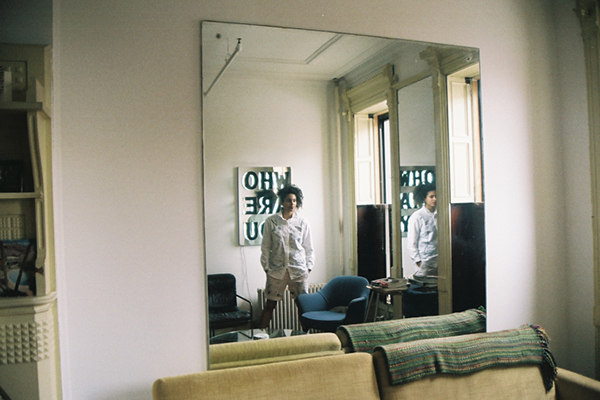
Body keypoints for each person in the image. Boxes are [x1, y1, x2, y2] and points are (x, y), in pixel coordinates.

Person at [258, 184, 314, 329]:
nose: (292, 204)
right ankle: (259, 337)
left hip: (298, 270)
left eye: (294, 201)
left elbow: (308, 247)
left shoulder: (302, 222)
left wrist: (308, 268)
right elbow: (265, 247)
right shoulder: (271, 221)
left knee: (302, 307)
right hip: (277, 271)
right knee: (269, 305)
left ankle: (306, 338)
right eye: (289, 200)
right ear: (282, 202)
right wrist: (266, 268)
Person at [407, 183, 437, 278]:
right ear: (424, 198)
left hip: (439, 261)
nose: (435, 199)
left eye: (436, 196)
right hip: (424, 261)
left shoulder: (441, 214)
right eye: (431, 197)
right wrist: (418, 262)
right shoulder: (417, 216)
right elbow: (412, 242)